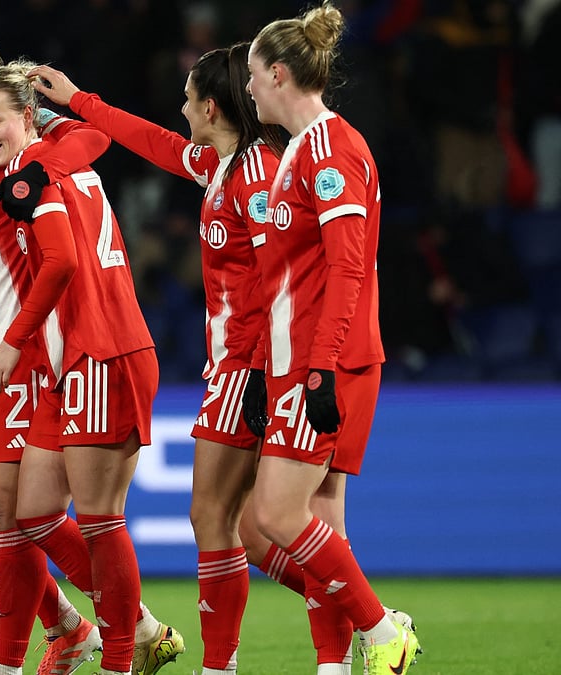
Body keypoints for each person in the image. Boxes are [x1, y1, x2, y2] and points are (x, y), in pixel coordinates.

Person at [0, 37, 181, 675]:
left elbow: (91, 143)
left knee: (22, 511)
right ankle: (84, 625)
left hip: (27, 357)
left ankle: (19, 657)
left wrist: (43, 150)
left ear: (11, 103)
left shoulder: (34, 157)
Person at [28, 43, 288, 674]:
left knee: (229, 519)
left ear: (212, 106)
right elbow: (151, 142)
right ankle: (242, 656)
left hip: (250, 365)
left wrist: (257, 367)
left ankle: (358, 620)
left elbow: (276, 279)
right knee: (241, 525)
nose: (180, 109)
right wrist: (78, 99)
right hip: (238, 362)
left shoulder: (256, 180)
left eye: (188, 98)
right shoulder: (223, 163)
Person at [0, 60, 171, 675]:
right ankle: (137, 630)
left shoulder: (38, 177)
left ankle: (122, 658)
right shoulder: (58, 159)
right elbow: (93, 137)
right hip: (70, 361)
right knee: (35, 511)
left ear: (27, 117)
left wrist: (11, 341)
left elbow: (59, 263)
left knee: (100, 518)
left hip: (103, 350)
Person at [244, 3, 423, 673]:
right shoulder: (297, 153)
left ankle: (381, 628)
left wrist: (319, 369)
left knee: (275, 515)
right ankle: (333, 663)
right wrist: (268, 366)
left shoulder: (331, 151)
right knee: (323, 519)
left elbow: (351, 268)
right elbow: (289, 278)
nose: (251, 87)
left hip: (331, 360)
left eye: (257, 75)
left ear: (281, 73)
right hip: (298, 361)